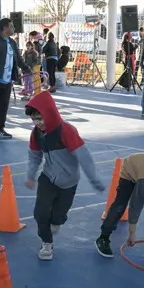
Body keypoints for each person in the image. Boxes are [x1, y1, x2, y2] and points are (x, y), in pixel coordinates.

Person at [23, 90, 105, 261]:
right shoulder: (36, 134)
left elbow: (84, 156)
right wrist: (31, 175)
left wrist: (94, 179)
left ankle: (57, 221)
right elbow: (34, 156)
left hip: (69, 182)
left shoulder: (66, 131)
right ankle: (47, 243)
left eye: (41, 118)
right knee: (40, 213)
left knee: (58, 216)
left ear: (50, 114)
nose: (38, 123)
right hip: (48, 178)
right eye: (34, 119)